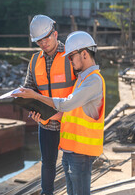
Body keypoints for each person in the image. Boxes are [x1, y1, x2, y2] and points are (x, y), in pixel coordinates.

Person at [14, 31, 105, 195]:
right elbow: (71, 114)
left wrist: (35, 96)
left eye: (71, 57)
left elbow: (66, 104)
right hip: (70, 150)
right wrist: (44, 117)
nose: (69, 61)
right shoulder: (82, 80)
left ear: (84, 53)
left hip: (82, 152)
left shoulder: (93, 81)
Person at [24, 15, 76, 195]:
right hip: (46, 123)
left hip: (70, 123)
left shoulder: (71, 55)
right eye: (39, 41)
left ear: (55, 33)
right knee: (47, 164)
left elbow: (83, 90)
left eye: (46, 38)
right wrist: (33, 108)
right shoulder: (34, 61)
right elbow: (28, 90)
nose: (43, 43)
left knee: (72, 166)